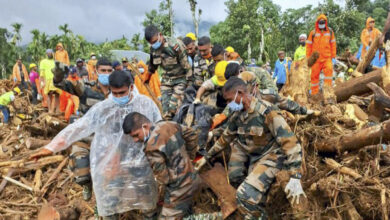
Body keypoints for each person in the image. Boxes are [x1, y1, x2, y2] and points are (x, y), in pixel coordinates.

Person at [30, 70, 162, 219]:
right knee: (110, 206)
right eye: (115, 93)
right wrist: (50, 148)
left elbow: (159, 128)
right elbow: (79, 127)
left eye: (122, 93)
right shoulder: (104, 108)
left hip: (139, 165)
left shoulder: (145, 104)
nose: (118, 97)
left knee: (148, 206)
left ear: (131, 87)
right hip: (111, 165)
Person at [195, 77, 305, 219]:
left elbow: (290, 142)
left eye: (229, 100)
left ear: (240, 93)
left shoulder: (266, 111)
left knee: (244, 195)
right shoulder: (237, 114)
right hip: (255, 157)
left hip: (273, 156)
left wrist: (295, 176)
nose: (228, 105)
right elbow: (226, 138)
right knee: (238, 183)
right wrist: (206, 157)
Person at [123, 112, 199, 219]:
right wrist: (189, 158)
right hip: (194, 178)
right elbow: (192, 134)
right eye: (132, 137)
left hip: (180, 188)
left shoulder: (151, 148)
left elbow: (164, 179)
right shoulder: (168, 125)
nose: (135, 140)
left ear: (145, 126)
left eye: (136, 135)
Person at [145, 25, 192, 120]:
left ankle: (179, 126)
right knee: (165, 112)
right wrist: (147, 77)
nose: (153, 45)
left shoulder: (175, 45)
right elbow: (152, 66)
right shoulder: (153, 49)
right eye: (151, 43)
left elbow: (187, 67)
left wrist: (189, 86)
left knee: (173, 108)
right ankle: (168, 129)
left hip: (180, 79)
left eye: (154, 42)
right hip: (166, 81)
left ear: (160, 35)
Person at [306, 14, 337, 97]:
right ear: (317, 23)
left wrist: (333, 56)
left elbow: (333, 44)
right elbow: (308, 46)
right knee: (314, 76)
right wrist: (308, 57)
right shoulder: (313, 33)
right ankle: (314, 94)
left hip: (327, 57)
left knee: (329, 73)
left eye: (323, 22)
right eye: (320, 22)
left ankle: (328, 93)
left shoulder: (330, 32)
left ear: (325, 23)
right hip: (316, 59)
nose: (322, 24)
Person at [40, 49, 61, 113]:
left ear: (53, 53)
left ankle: (57, 109)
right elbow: (42, 72)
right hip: (48, 80)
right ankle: (50, 110)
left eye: (51, 53)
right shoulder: (43, 61)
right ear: (46, 54)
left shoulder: (56, 61)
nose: (50, 54)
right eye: (48, 53)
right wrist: (42, 81)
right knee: (49, 95)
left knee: (57, 94)